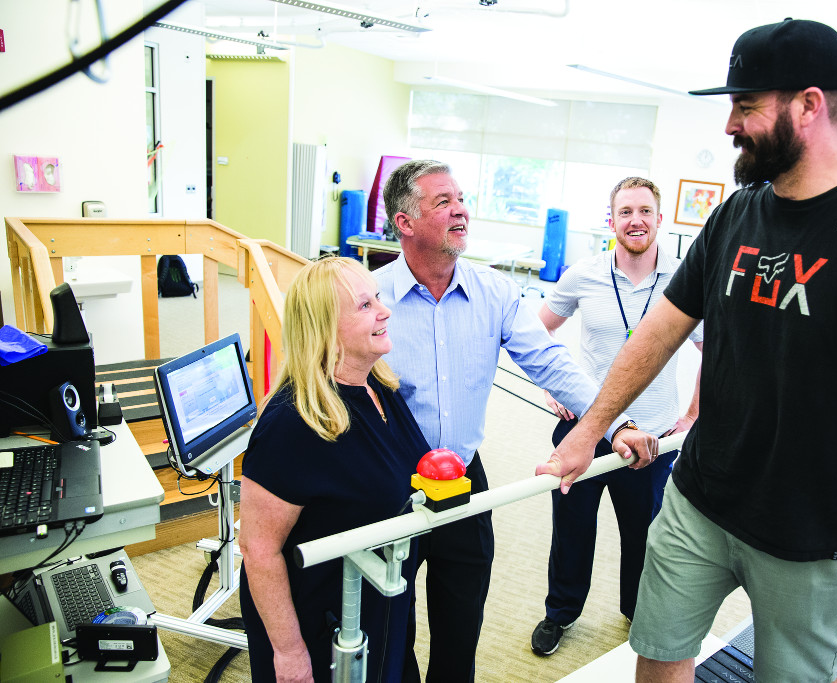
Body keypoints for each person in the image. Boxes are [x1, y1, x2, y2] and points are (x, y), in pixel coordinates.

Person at [537, 18, 837, 683]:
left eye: (746, 106)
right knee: (657, 654)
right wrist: (589, 430)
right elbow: (659, 331)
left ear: (809, 105)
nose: (730, 125)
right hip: (700, 500)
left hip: (817, 535)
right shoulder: (737, 213)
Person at [375, 159, 658, 682]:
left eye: (462, 199)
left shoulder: (495, 292)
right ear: (405, 222)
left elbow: (551, 362)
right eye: (443, 202)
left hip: (462, 478)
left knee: (461, 623)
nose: (461, 210)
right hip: (388, 482)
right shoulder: (370, 298)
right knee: (389, 628)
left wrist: (614, 425)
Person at [530, 176, 704, 656]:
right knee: (572, 532)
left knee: (645, 536)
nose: (636, 221)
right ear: (611, 221)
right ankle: (560, 613)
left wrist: (693, 414)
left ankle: (636, 612)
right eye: (625, 212)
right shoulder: (584, 274)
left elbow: (715, 350)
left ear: (660, 219)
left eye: (645, 211)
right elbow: (534, 333)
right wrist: (554, 387)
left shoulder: (685, 278)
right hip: (585, 430)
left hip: (651, 438)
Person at [239, 257, 426, 683]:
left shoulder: (377, 384)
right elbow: (258, 549)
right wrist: (289, 652)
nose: (385, 311)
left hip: (377, 603)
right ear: (326, 329)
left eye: (378, 297)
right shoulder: (292, 424)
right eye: (365, 305)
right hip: (321, 623)